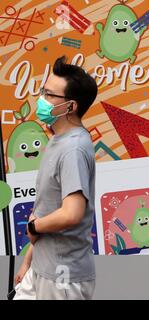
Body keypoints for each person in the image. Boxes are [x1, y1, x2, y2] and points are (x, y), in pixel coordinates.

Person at [14, 56, 98, 300]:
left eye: (49, 95)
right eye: (43, 90)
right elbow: (48, 208)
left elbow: (71, 213)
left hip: (62, 276)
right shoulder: (57, 139)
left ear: (70, 106)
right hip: (43, 267)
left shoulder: (73, 149)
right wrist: (29, 260)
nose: (41, 99)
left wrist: (32, 226)